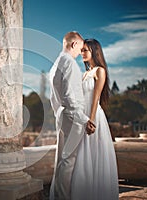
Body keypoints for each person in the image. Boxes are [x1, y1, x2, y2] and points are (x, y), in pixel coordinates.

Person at [49, 31, 96, 200]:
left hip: (62, 115)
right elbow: (70, 96)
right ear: (74, 44)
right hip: (72, 116)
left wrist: (58, 113)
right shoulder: (69, 62)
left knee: (61, 161)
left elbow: (53, 97)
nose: (80, 53)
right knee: (68, 162)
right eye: (81, 48)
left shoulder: (56, 63)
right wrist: (85, 119)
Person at [70, 38, 119, 200]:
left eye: (85, 50)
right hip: (83, 117)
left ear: (94, 52)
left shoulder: (100, 71)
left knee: (92, 155)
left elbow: (96, 97)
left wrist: (90, 121)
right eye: (82, 50)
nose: (82, 53)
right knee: (82, 157)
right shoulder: (85, 73)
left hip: (93, 116)